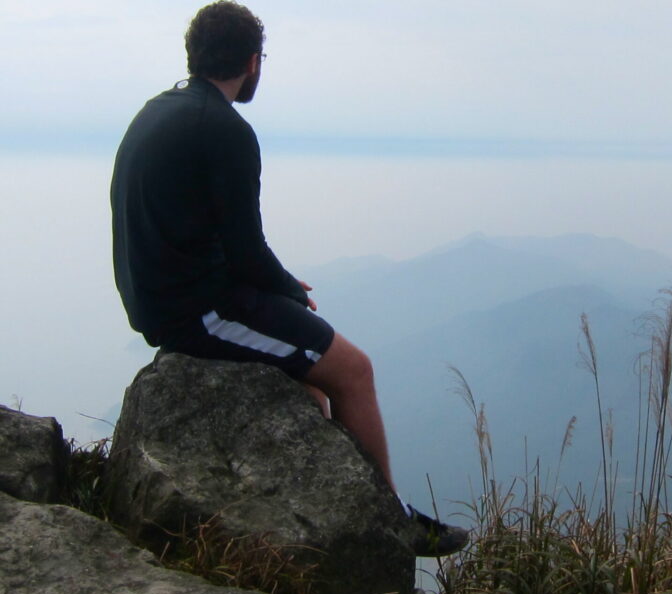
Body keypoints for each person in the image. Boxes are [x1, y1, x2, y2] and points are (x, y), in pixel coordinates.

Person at [109, 0, 466, 557]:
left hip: (159, 294)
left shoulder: (158, 110)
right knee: (353, 370)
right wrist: (288, 290)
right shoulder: (224, 129)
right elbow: (247, 250)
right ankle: (393, 521)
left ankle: (326, 520)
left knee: (310, 393)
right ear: (253, 62)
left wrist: (276, 287)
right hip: (196, 309)